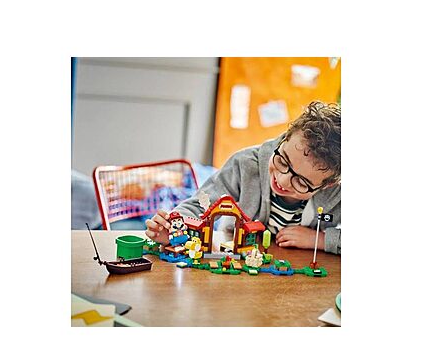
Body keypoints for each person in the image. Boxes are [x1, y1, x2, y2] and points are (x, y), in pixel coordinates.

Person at [145, 101, 341, 254]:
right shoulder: (245, 163)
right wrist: (174, 228)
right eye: (283, 161)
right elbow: (200, 205)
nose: (281, 181)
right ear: (285, 138)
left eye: (301, 182)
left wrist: (321, 240)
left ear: (328, 184)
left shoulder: (339, 193)